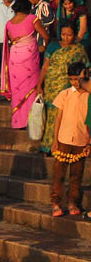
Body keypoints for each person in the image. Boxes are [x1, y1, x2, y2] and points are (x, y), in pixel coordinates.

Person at [38, 23, 88, 154]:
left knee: (65, 116)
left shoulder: (79, 49)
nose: (66, 38)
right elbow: (45, 66)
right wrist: (39, 85)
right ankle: (48, 146)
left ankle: (63, 145)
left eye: (69, 35)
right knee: (52, 116)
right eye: (63, 35)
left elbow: (86, 68)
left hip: (71, 86)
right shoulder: (53, 46)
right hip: (52, 86)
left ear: (75, 34)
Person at [48, 62, 91, 217]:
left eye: (78, 79)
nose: (75, 82)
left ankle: (73, 202)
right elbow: (58, 119)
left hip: (81, 140)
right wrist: (54, 140)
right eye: (72, 79)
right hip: (63, 139)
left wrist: (89, 142)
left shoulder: (88, 96)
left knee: (76, 175)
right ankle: (56, 203)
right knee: (58, 174)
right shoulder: (65, 94)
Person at [2, 0, 50, 129]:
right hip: (29, 56)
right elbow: (45, 36)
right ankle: (31, 120)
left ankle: (18, 122)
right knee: (31, 86)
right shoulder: (32, 18)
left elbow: (12, 40)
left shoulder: (9, 23)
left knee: (18, 88)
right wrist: (45, 47)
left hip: (15, 57)